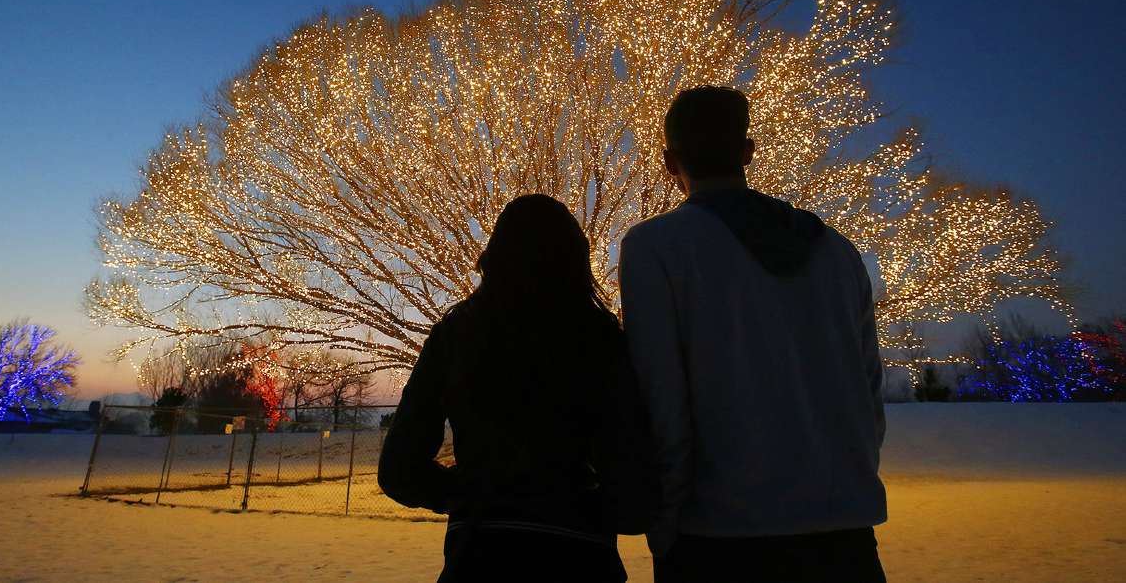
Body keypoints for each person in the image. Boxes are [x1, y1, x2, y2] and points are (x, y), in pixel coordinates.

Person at [619, 86, 888, 582]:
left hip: (721, 536)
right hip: (845, 531)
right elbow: (869, 393)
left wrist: (666, 522)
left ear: (667, 161)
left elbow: (663, 399)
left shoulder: (655, 248)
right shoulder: (836, 252)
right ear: (748, 152)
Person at [378, 194, 630, 583]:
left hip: (479, 554)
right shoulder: (603, 340)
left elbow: (398, 469)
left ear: (494, 256)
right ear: (575, 257)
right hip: (580, 553)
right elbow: (632, 468)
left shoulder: (457, 333)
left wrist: (467, 494)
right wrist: (590, 504)